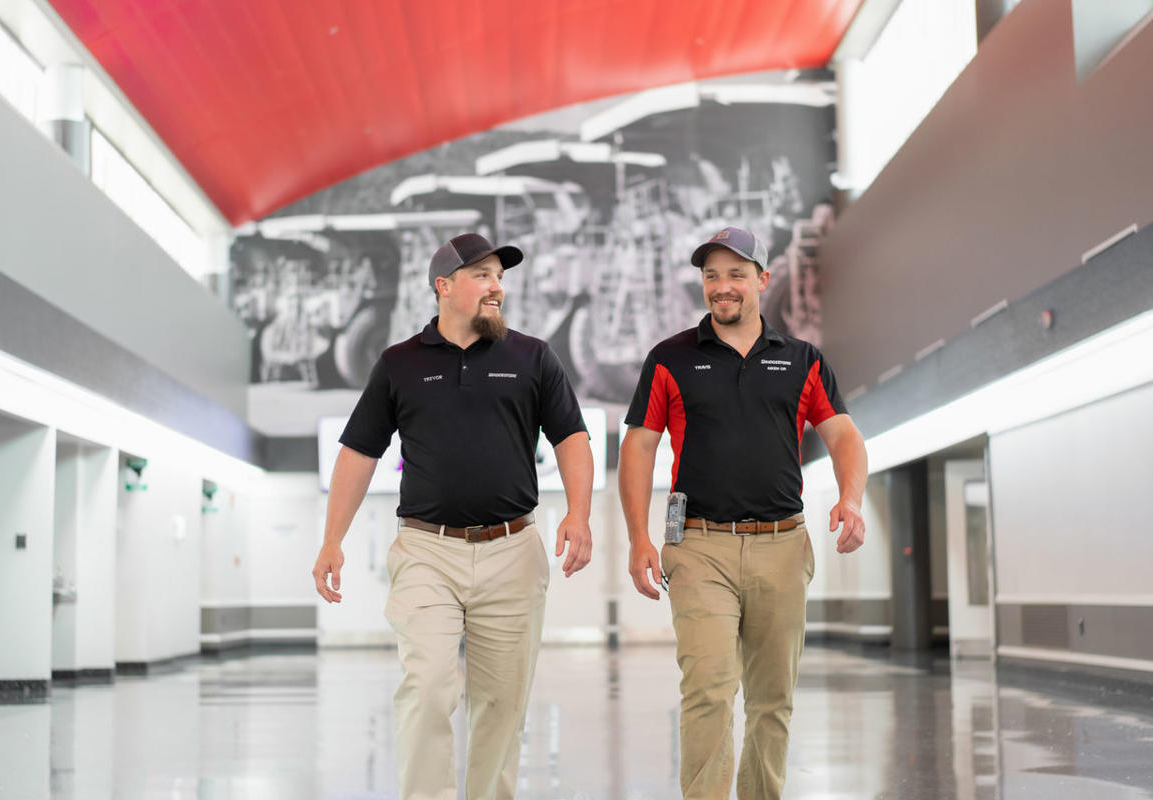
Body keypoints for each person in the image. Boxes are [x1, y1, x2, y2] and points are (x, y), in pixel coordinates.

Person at [312, 232, 594, 800]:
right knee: (427, 688)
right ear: (444, 285)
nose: (497, 287)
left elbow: (571, 437)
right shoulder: (400, 364)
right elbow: (359, 452)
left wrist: (579, 513)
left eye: (500, 277)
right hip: (426, 551)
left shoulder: (533, 357)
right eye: (482, 275)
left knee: (501, 704)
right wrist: (331, 540)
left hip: (513, 550)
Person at [618, 226, 867, 799]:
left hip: (783, 546)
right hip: (698, 546)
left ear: (762, 279)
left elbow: (845, 436)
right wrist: (638, 537)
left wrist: (850, 497)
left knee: (772, 700)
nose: (722, 286)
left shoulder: (802, 360)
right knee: (707, 689)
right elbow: (639, 446)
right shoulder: (670, 358)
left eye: (735, 274)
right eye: (711, 276)